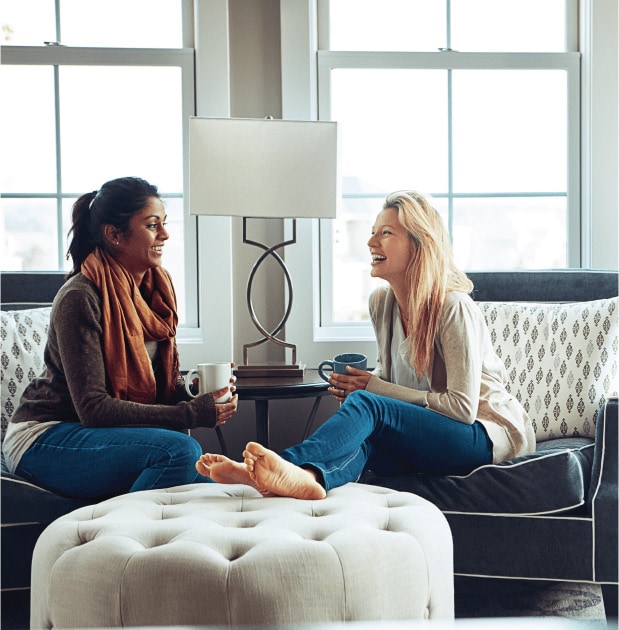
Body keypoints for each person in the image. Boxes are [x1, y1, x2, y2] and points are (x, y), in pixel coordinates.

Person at [195, 190, 535, 500]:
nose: (371, 241)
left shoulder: (452, 307)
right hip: (434, 436)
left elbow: (461, 408)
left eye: (385, 233)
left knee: (368, 404)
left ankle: (280, 464)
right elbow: (390, 382)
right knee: (364, 436)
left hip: (482, 436)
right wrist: (364, 387)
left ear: (418, 244)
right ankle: (307, 477)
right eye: (374, 231)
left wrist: (372, 389)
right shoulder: (382, 304)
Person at [2, 176, 238, 499]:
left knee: (223, 493)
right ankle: (102, 541)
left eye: (164, 224)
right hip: (45, 436)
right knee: (179, 452)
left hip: (97, 435)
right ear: (114, 235)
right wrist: (190, 413)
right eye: (153, 225)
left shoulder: (155, 293)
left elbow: (154, 388)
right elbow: (94, 408)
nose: (165, 235)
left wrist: (191, 394)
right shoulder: (80, 296)